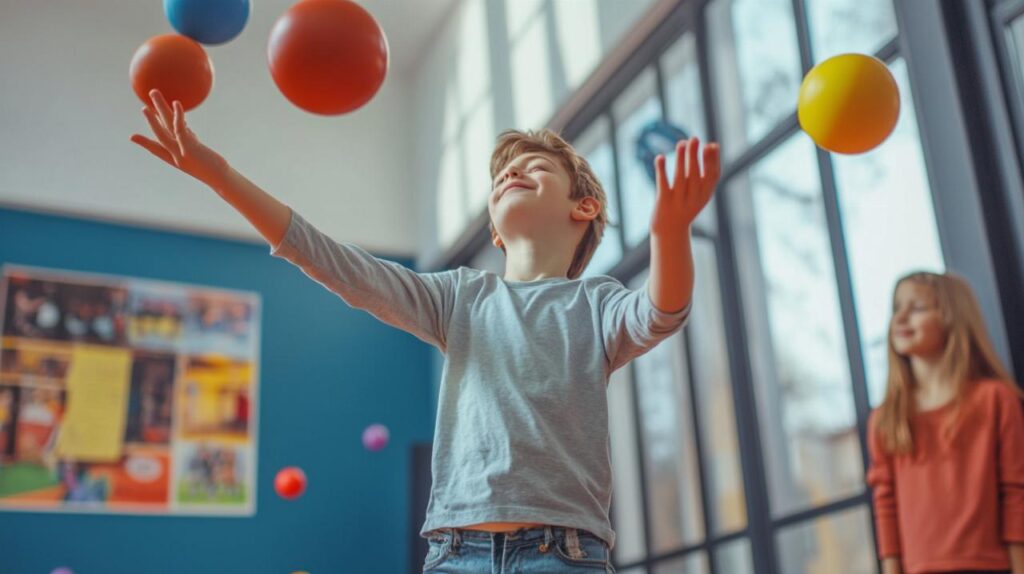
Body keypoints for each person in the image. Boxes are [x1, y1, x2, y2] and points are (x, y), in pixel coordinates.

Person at [131, 89, 719, 572]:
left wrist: (669, 232)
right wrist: (218, 175)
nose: (512, 171)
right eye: (502, 176)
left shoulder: (595, 301)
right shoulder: (459, 297)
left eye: (534, 167)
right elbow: (334, 262)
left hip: (562, 553)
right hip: (454, 553)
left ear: (583, 208)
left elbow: (659, 313)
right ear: (494, 230)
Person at [867, 271, 1024, 574]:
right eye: (896, 308)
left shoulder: (997, 400)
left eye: (917, 308)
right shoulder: (884, 420)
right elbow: (885, 505)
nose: (900, 318)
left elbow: (1016, 493)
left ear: (952, 318)